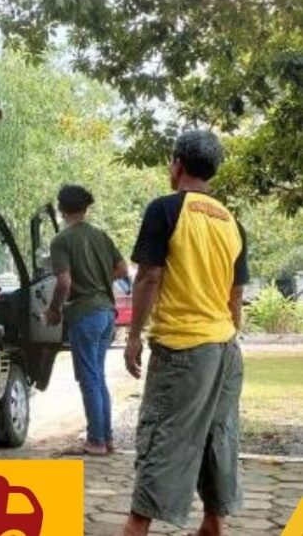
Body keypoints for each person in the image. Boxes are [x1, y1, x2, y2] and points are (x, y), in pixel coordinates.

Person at [122, 130, 248, 536]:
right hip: (225, 349)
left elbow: (148, 277)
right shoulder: (231, 222)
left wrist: (133, 336)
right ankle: (213, 523)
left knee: (163, 438)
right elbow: (235, 294)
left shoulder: (165, 210)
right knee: (216, 437)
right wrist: (227, 338)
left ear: (176, 165)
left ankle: (137, 525)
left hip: (183, 349)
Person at [45, 184, 127, 455]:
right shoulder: (100, 236)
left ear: (61, 209)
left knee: (89, 378)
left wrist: (54, 309)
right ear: (85, 208)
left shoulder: (61, 240)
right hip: (107, 313)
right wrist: (100, 280)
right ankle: (107, 438)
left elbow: (64, 282)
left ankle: (96, 441)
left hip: (84, 314)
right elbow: (122, 269)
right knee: (97, 376)